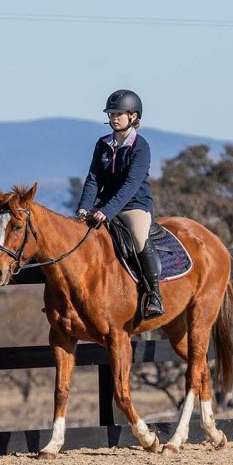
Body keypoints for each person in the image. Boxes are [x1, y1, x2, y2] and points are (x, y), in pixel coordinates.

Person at [75, 89, 164, 318]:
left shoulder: (140, 146)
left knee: (138, 237)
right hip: (105, 206)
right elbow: (93, 178)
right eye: (111, 114)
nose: (114, 118)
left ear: (133, 117)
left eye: (119, 114)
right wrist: (84, 208)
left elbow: (131, 185)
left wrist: (108, 211)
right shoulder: (102, 144)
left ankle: (154, 295)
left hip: (134, 205)